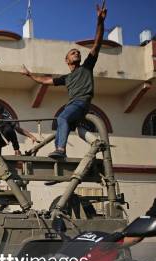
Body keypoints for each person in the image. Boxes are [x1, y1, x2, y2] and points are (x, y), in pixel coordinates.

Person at [21, 1, 107, 160]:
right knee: (63, 127)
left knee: (61, 118)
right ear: (66, 60)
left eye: (78, 53)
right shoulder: (66, 78)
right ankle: (63, 157)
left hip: (80, 103)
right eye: (73, 53)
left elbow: (97, 44)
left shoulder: (86, 67)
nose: (77, 54)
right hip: (76, 109)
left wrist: (100, 22)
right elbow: (45, 81)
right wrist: (29, 75)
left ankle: (61, 150)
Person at [0, 105, 38, 190]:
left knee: (9, 129)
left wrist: (31, 136)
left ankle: (16, 150)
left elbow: (18, 129)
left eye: (1, 116)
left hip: (3, 140)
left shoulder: (5, 118)